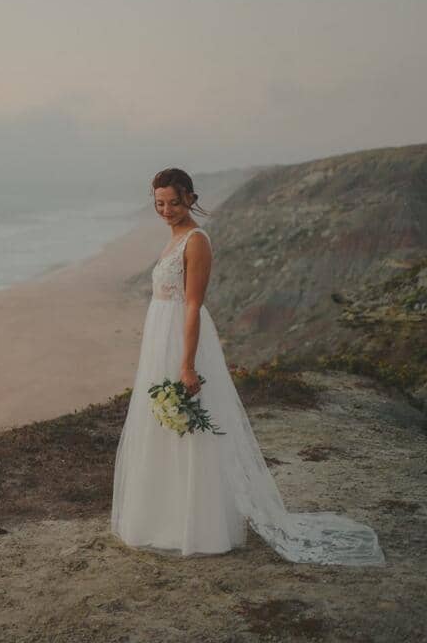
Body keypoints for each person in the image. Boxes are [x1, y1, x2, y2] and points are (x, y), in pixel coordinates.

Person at [109, 168, 386, 565]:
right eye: (159, 204)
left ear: (190, 197)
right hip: (160, 337)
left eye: (173, 202)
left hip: (181, 338)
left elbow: (192, 305)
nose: (167, 210)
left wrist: (186, 364)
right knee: (164, 426)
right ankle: (164, 519)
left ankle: (199, 525)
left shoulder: (196, 241)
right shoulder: (173, 238)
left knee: (191, 425)